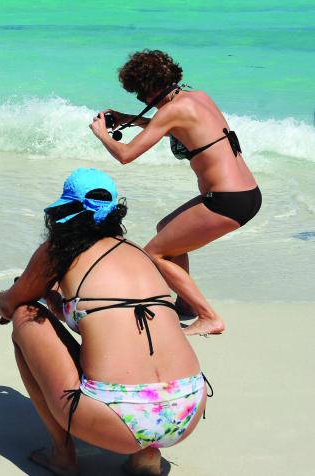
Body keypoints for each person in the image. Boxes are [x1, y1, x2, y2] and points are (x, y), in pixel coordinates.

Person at [0, 168, 207, 476]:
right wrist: (56, 300)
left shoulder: (59, 251)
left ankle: (62, 456)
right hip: (187, 409)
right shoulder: (138, 253)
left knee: (25, 313)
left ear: (64, 211)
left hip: (117, 419)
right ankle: (146, 455)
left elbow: (10, 303)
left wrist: (9, 299)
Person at [89, 50, 261, 336]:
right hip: (245, 193)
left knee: (154, 253)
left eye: (140, 95)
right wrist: (131, 119)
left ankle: (209, 317)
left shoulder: (171, 111)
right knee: (165, 229)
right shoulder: (198, 98)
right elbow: (175, 126)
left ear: (151, 88)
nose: (142, 102)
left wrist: (102, 135)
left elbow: (126, 155)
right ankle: (186, 304)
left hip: (228, 201)